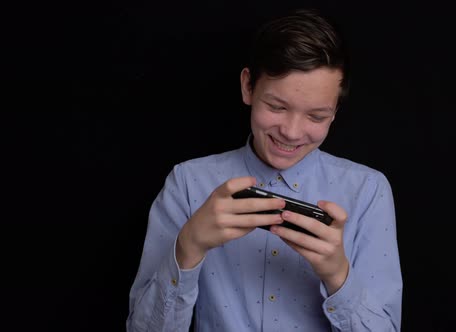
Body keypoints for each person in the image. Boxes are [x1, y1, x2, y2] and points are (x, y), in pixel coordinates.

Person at [126, 8, 402, 332]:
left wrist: (337, 275)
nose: (292, 132)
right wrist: (188, 247)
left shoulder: (368, 191)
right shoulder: (187, 183)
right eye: (277, 106)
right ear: (247, 87)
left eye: (316, 116)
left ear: (336, 112)